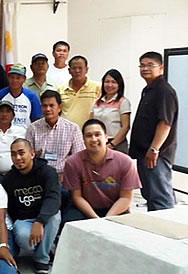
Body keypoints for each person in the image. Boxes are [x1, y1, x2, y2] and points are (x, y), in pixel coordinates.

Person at [63, 119, 142, 221]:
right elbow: (77, 197)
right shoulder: (73, 162)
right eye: (88, 136)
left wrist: (107, 219)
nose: (93, 139)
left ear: (106, 137)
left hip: (115, 208)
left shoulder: (125, 161)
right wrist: (96, 219)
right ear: (83, 140)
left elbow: (126, 198)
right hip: (85, 209)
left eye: (97, 134)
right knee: (70, 222)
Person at [2, 139, 61, 274]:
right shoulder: (8, 179)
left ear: (32, 154)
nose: (17, 158)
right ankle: (46, 247)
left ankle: (42, 259)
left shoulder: (48, 172)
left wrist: (40, 221)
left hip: (44, 215)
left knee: (55, 217)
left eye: (21, 153)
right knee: (24, 238)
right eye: (13, 154)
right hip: (24, 218)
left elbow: (53, 198)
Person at [130, 51, 178, 211]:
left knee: (160, 198)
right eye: (142, 65)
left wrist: (154, 149)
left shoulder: (164, 91)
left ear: (161, 68)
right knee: (150, 194)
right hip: (145, 152)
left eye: (150, 65)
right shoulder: (149, 89)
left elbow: (165, 123)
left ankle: (167, 231)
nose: (145, 68)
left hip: (157, 154)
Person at [26, 90, 84, 176]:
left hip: (64, 175)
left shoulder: (73, 129)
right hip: (40, 175)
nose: (48, 109)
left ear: (60, 107)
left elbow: (78, 158)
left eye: (51, 105)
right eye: (44, 106)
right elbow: (28, 157)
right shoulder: (33, 128)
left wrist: (66, 175)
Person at [0, 101, 27, 180]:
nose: (4, 114)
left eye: (8, 111)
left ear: (13, 116)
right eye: (1, 111)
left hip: (19, 174)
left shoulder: (22, 131)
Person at [91, 69, 132, 153]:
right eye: (107, 82)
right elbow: (91, 123)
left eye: (114, 82)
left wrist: (111, 145)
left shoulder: (123, 102)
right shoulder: (97, 102)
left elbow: (126, 126)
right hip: (99, 143)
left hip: (117, 144)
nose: (110, 85)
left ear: (119, 84)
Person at [57, 55, 101, 129]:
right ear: (69, 70)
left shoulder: (97, 87)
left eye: (80, 68)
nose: (77, 71)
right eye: (74, 68)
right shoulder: (61, 89)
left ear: (86, 69)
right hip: (66, 132)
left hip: (89, 132)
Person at [0, 63, 43, 130]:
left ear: (24, 79)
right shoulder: (0, 95)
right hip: (5, 134)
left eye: (18, 78)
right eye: (12, 77)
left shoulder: (31, 96)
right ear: (8, 78)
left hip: (25, 135)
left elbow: (37, 119)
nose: (14, 80)